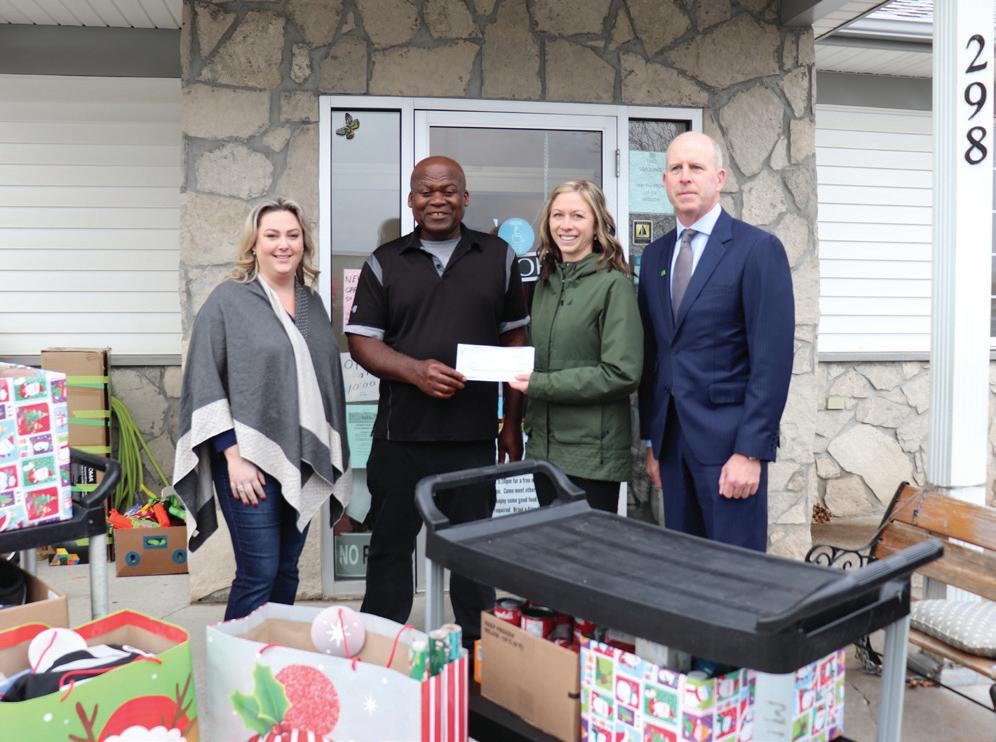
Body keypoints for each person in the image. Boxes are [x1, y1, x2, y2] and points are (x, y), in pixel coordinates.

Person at [345, 156, 528, 642]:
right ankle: (383, 647)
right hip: (400, 437)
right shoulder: (384, 261)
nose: (437, 200)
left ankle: (478, 655)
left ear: (465, 198)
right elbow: (361, 341)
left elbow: (514, 341)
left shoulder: (498, 257)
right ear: (411, 200)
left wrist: (511, 423)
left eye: (448, 191)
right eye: (426, 192)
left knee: (472, 555)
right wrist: (415, 372)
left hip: (472, 439)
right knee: (390, 551)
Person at [173, 198, 351, 620]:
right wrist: (234, 458)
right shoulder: (228, 301)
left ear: (304, 243)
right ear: (254, 244)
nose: (283, 245)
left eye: (293, 235)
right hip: (246, 462)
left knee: (287, 572)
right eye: (272, 235)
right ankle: (236, 658)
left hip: (300, 459)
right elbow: (204, 380)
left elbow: (323, 382)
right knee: (259, 572)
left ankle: (271, 655)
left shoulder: (312, 304)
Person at [637, 131, 794, 552]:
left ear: (719, 178)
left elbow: (772, 361)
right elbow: (655, 355)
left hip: (730, 450)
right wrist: (654, 442)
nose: (685, 177)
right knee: (685, 569)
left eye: (696, 167)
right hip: (673, 448)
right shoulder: (654, 258)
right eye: (676, 168)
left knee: (735, 573)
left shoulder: (757, 250)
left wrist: (751, 452)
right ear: (665, 181)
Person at [509, 180, 642, 512]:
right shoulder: (543, 284)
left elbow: (621, 373)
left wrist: (540, 384)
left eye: (577, 216)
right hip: (544, 451)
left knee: (585, 547)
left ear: (596, 225)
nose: (565, 225)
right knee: (550, 546)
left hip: (592, 457)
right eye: (558, 215)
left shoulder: (614, 285)